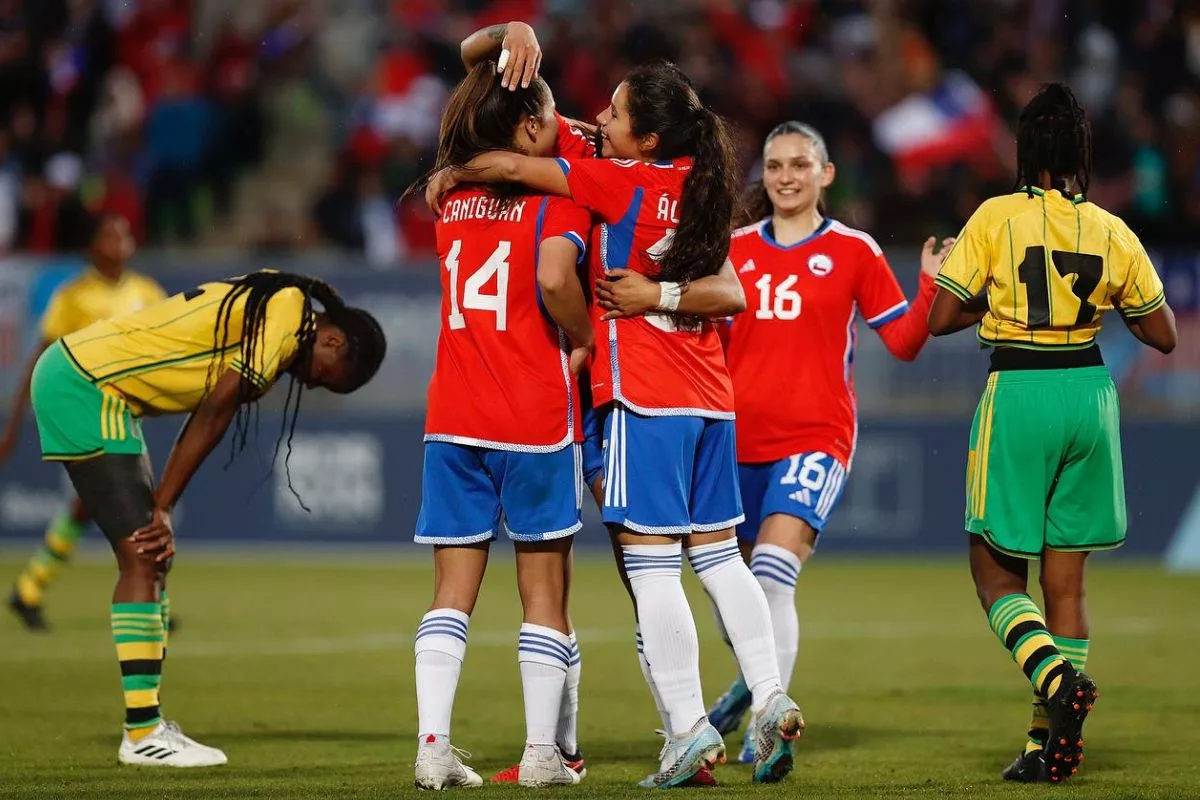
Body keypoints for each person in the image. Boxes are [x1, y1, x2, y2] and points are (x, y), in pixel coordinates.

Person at [428, 61, 804, 787]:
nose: (598, 118)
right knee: (721, 556)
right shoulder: (701, 183)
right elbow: (729, 293)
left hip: (643, 393)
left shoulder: (617, 180)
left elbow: (509, 161)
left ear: (647, 135)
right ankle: (770, 693)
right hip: (711, 398)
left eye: (614, 112)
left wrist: (450, 175)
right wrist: (666, 290)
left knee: (651, 564)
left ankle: (690, 728)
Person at [28, 270, 386, 767]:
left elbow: (214, 401)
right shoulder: (286, 313)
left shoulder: (277, 308)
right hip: (88, 386)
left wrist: (164, 503)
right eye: (325, 373)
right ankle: (142, 733)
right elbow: (217, 407)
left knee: (152, 560)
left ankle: (146, 725)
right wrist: (164, 506)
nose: (309, 380)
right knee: (143, 556)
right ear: (332, 337)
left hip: (98, 389)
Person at [927, 83, 1176, 784]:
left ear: (1024, 150)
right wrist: (1098, 297)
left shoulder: (996, 217)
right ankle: (1045, 745)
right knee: (1067, 583)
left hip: (1022, 389)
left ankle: (1060, 686)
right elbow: (1162, 334)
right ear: (1081, 155)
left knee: (994, 576)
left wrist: (982, 293)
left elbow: (941, 318)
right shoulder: (1110, 228)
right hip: (1090, 394)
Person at [683, 121, 954, 763]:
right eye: (775, 165)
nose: (785, 176)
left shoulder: (856, 251)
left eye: (800, 164)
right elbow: (708, 349)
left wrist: (931, 286)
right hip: (733, 440)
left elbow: (906, 342)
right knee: (732, 588)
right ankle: (758, 683)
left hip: (814, 437)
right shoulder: (734, 250)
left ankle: (765, 725)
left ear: (825, 173)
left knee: (773, 576)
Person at [409, 62, 595, 790]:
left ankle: (432, 745)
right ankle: (544, 752)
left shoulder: (450, 198)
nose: (564, 122)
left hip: (453, 416)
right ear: (528, 126)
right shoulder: (558, 198)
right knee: (544, 595)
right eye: (551, 110)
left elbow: (484, 107)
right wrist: (579, 336)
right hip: (533, 416)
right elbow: (554, 279)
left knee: (450, 593)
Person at [4, 214, 167, 631]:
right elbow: (40, 360)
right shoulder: (73, 297)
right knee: (121, 502)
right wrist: (14, 425)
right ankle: (148, 596)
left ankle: (30, 588)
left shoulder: (148, 293)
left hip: (125, 414)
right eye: (109, 235)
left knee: (95, 506)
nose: (118, 243)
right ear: (93, 246)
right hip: (83, 411)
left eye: (124, 234)